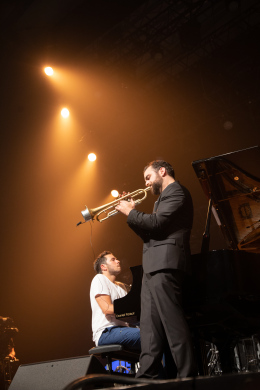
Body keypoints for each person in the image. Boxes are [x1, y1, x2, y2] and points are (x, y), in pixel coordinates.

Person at [115, 160, 197, 379]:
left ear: (162, 171)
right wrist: (131, 215)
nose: (146, 183)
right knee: (149, 330)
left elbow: (157, 223)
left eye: (148, 177)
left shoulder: (176, 192)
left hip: (167, 265)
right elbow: (150, 234)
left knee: (173, 325)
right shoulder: (161, 199)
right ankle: (147, 378)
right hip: (152, 268)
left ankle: (187, 377)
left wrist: (131, 213)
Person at [90, 251, 140, 350]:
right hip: (107, 332)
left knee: (157, 334)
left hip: (123, 330)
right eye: (113, 259)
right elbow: (107, 309)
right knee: (150, 336)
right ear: (103, 267)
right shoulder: (99, 279)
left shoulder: (121, 286)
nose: (118, 261)